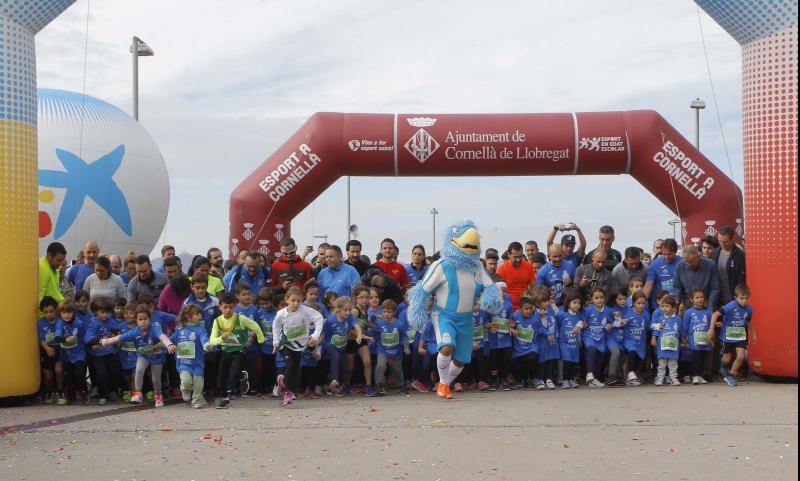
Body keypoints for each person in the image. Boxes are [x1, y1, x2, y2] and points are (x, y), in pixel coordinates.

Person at [101, 305, 176, 407]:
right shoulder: (134, 331)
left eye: (145, 319)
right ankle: (138, 393)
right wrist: (105, 342)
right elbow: (120, 338)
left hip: (157, 356)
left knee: (156, 379)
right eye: (140, 319)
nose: (143, 322)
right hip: (143, 355)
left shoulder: (154, 329)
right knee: (139, 370)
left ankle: (158, 395)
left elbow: (162, 336)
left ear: (150, 319)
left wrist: (169, 344)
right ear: (136, 320)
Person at [210, 292, 265, 408]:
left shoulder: (241, 318)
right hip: (226, 350)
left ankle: (240, 375)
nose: (228, 310)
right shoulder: (217, 321)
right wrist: (221, 338)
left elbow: (255, 326)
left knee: (235, 371)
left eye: (231, 307)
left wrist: (260, 339)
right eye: (225, 307)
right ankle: (225, 399)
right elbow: (212, 340)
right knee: (222, 376)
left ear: (235, 306)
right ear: (220, 307)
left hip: (239, 348)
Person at [271, 286, 324, 405]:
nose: (296, 304)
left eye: (298, 301)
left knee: (296, 370)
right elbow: (276, 326)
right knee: (290, 365)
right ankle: (288, 393)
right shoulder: (281, 314)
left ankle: (285, 384)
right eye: (293, 300)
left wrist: (315, 336)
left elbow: (319, 319)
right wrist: (276, 341)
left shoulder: (306, 311)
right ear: (287, 300)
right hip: (285, 343)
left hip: (300, 345)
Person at [183, 272, 222, 404]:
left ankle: (208, 390)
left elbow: (220, 319)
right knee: (193, 366)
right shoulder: (187, 302)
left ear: (207, 286)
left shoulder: (214, 301)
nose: (200, 290)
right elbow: (183, 321)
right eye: (197, 287)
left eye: (203, 287)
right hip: (193, 342)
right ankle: (193, 391)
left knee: (210, 364)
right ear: (192, 287)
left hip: (210, 341)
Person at [710, 284, 757, 386]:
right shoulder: (730, 306)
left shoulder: (749, 309)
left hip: (740, 336)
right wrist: (711, 329)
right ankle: (723, 366)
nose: (744, 301)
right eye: (741, 298)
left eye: (747, 298)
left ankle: (730, 375)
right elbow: (715, 315)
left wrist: (753, 333)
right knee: (727, 359)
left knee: (741, 356)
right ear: (736, 297)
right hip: (727, 336)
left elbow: (748, 321)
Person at [170, 304, 212, 408]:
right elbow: (171, 340)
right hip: (183, 362)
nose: (200, 316)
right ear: (188, 317)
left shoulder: (201, 329)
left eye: (200, 313)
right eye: (197, 314)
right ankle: (185, 391)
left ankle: (197, 401)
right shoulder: (180, 329)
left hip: (197, 362)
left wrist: (207, 345)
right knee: (186, 381)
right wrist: (163, 344)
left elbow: (204, 339)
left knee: (198, 383)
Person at [84, 296, 124, 405]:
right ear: (96, 312)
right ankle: (102, 395)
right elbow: (87, 339)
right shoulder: (93, 323)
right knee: (102, 373)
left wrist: (116, 333)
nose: (105, 315)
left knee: (114, 371)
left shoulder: (110, 319)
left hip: (109, 351)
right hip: (97, 354)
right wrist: (101, 340)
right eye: (102, 312)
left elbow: (115, 328)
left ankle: (112, 390)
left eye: (107, 312)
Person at [53, 299, 88, 404]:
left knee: (79, 373)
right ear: (60, 313)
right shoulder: (60, 322)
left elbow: (84, 338)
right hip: (66, 354)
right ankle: (71, 396)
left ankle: (84, 391)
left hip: (79, 352)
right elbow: (57, 337)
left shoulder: (79, 324)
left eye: (69, 312)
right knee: (69, 376)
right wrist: (65, 339)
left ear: (73, 312)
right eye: (63, 312)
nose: (66, 315)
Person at [373, 299, 410, 395]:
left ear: (394, 312)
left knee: (397, 368)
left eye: (389, 312)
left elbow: (404, 336)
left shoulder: (399, 324)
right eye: (384, 311)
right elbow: (375, 334)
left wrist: (406, 347)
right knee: (380, 365)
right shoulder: (380, 323)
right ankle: (380, 386)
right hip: (383, 350)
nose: (386, 314)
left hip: (396, 350)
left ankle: (399, 386)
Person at [673, 246, 720, 312]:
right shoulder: (680, 266)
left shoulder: (710, 265)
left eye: (691, 261)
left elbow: (714, 288)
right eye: (686, 262)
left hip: (705, 302)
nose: (689, 264)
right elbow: (677, 286)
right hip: (687, 302)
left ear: (698, 256)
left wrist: (711, 307)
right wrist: (677, 301)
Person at [649, 295, 682, 386]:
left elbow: (681, 330)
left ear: (673, 308)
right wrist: (654, 337)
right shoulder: (660, 318)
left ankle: (673, 378)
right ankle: (660, 378)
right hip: (662, 345)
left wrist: (684, 338)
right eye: (663, 306)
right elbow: (657, 329)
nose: (664, 308)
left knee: (673, 363)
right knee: (662, 363)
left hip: (673, 345)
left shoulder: (678, 319)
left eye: (667, 306)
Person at [682, 288, 712, 385]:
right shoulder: (689, 312)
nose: (700, 299)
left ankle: (700, 375)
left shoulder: (708, 312)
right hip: (694, 340)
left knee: (703, 357)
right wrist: (684, 337)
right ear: (692, 299)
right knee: (696, 356)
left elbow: (711, 325)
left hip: (705, 339)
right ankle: (695, 375)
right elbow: (685, 326)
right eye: (697, 297)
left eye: (701, 297)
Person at [38, 296, 65, 404]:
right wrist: (47, 348)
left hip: (59, 349)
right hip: (47, 350)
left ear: (56, 310)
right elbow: (41, 338)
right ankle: (49, 392)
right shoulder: (40, 323)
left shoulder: (60, 321)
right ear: (42, 312)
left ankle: (60, 392)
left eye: (51, 311)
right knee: (48, 376)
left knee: (59, 370)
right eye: (46, 312)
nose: (49, 315)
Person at [582, 287, 611, 387]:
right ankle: (589, 373)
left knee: (601, 355)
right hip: (589, 335)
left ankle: (594, 378)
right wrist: (583, 324)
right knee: (591, 349)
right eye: (596, 298)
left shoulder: (607, 310)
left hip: (600, 337)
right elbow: (582, 320)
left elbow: (611, 322)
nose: (599, 300)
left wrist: (610, 324)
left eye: (601, 297)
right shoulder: (588, 310)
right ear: (591, 299)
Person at [712, 226, 746, 307]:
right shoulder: (716, 252)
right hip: (716, 297)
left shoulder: (739, 255)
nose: (722, 244)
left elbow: (741, 279)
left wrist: (738, 298)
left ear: (732, 238)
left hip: (731, 297)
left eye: (725, 242)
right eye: (720, 241)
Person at [620, 291, 650, 386]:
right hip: (629, 339)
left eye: (643, 303)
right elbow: (620, 323)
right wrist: (621, 321)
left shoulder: (645, 314)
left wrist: (657, 326)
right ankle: (630, 373)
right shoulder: (627, 313)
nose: (641, 305)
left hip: (640, 340)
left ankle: (631, 378)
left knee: (639, 357)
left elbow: (649, 326)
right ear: (633, 303)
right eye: (638, 303)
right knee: (632, 352)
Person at [496, 241, 537, 310]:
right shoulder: (501, 269)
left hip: (525, 308)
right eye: (515, 257)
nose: (518, 260)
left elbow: (534, 289)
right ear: (509, 254)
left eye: (520, 256)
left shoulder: (529, 267)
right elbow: (497, 291)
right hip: (508, 308)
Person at [643, 238, 682, 311]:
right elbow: (648, 285)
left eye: (669, 254)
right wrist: (642, 301)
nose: (666, 257)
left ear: (675, 252)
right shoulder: (655, 264)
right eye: (664, 254)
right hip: (659, 306)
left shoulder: (682, 263)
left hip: (677, 305)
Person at [509, 296, 539, 389]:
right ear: (520, 309)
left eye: (531, 308)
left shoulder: (535, 320)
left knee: (532, 358)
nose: (529, 311)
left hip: (531, 346)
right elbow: (509, 326)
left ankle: (534, 378)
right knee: (513, 363)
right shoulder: (515, 317)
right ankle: (519, 381)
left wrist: (548, 334)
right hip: (518, 348)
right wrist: (511, 327)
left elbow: (540, 330)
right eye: (526, 309)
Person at [557, 290, 583, 389]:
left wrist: (579, 339)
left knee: (574, 361)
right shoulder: (562, 314)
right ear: (568, 303)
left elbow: (581, 323)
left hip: (575, 343)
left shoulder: (579, 315)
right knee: (567, 361)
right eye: (574, 302)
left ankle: (571, 379)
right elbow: (558, 325)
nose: (577, 305)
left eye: (578, 303)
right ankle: (565, 380)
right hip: (564, 342)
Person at [605, 287, 629, 386]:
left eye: (624, 298)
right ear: (614, 299)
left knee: (624, 356)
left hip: (621, 336)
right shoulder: (610, 309)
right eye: (620, 299)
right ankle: (611, 376)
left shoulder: (627, 308)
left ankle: (615, 374)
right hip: (611, 336)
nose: (622, 301)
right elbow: (609, 323)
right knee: (616, 352)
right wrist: (619, 320)